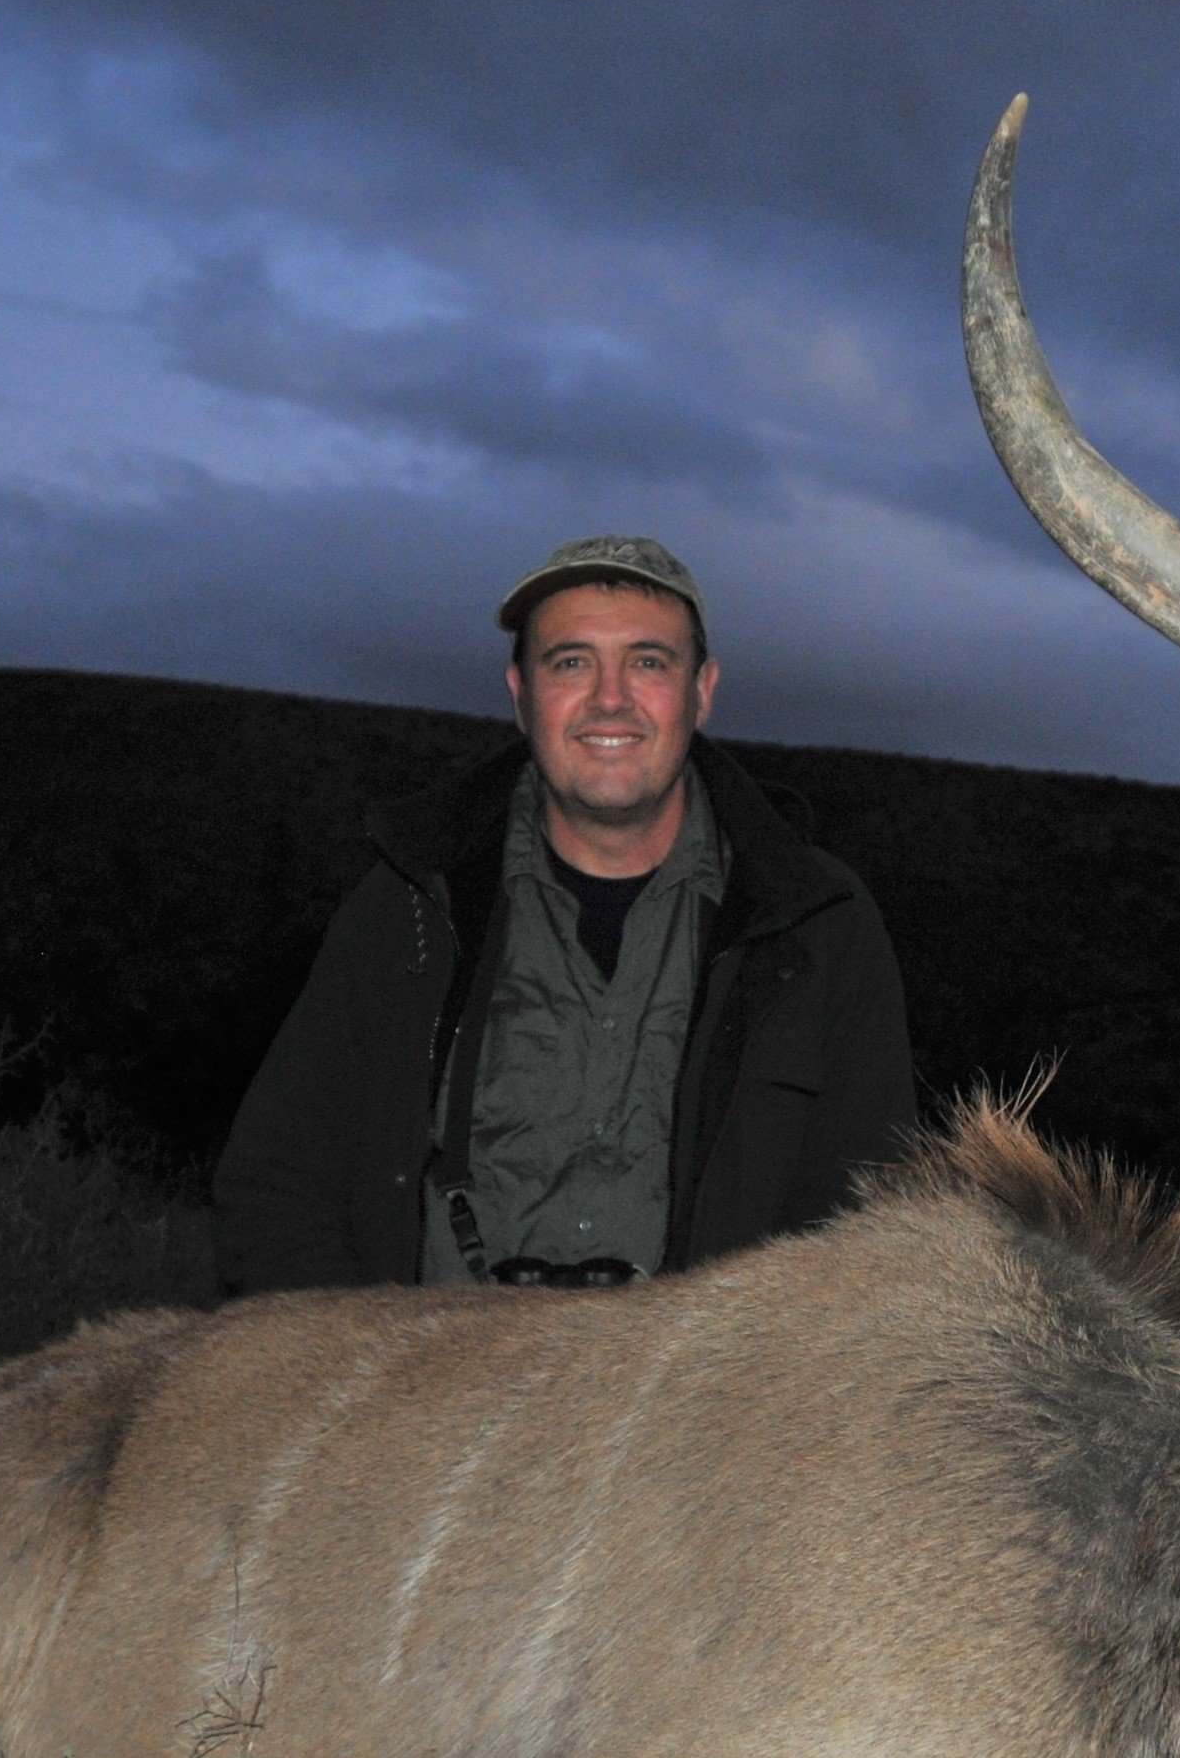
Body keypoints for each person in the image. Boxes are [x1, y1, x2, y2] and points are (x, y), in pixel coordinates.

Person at [213, 534, 914, 1295]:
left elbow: (871, 1227)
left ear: (701, 692)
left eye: (648, 662)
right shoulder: (410, 908)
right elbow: (277, 1186)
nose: (610, 699)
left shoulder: (817, 927)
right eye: (571, 662)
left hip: (696, 1404)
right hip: (434, 1393)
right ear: (520, 695)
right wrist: (351, 1381)